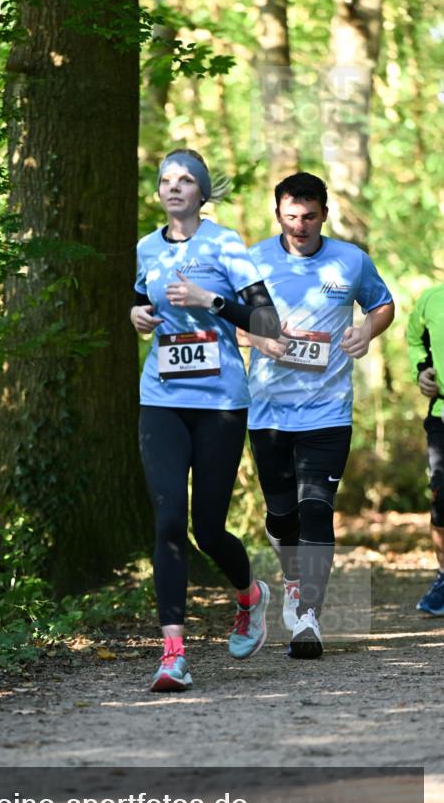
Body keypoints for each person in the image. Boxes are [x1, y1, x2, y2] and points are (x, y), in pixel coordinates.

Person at [131, 149, 281, 692]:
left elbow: (267, 320)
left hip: (220, 402)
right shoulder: (147, 247)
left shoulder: (225, 244)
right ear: (160, 192)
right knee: (168, 519)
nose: (174, 188)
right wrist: (137, 315)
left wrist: (210, 299)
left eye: (186, 180)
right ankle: (173, 654)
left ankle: (250, 596)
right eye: (167, 180)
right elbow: (137, 302)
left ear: (202, 192)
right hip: (162, 398)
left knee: (208, 529)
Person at [246, 172, 394, 658]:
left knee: (316, 510)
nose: (300, 226)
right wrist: (260, 337)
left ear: (324, 214)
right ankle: (289, 573)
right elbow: (228, 325)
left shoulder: (350, 260)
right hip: (267, 410)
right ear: (278, 215)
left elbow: (383, 304)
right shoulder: (254, 261)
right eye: (291, 217)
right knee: (283, 515)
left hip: (328, 411)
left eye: (309, 216)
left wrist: (367, 331)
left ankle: (308, 617)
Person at [407, 284, 444, 616]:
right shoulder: (432, 298)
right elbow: (414, 338)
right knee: (442, 497)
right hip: (442, 414)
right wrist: (421, 370)